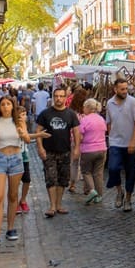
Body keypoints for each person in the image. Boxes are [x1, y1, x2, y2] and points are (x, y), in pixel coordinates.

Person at [0, 96, 49, 246]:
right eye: (3, 104)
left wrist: (22, 133)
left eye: (8, 104)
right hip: (0, 159)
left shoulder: (19, 121)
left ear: (13, 106)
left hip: (16, 159)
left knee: (12, 195)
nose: (5, 107)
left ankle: (10, 228)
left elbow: (27, 140)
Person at [35, 86, 80, 217]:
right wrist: (40, 147)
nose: (58, 99)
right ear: (53, 97)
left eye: (61, 96)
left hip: (65, 151)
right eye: (56, 96)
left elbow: (76, 131)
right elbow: (38, 131)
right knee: (50, 178)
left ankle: (59, 204)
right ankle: (52, 206)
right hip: (49, 151)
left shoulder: (71, 114)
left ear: (66, 98)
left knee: (63, 179)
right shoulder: (46, 113)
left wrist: (76, 147)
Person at [106, 78, 135, 212]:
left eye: (126, 89)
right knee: (113, 168)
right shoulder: (109, 103)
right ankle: (119, 191)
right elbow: (108, 122)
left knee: (131, 172)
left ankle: (128, 198)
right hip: (116, 142)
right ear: (115, 89)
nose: (125, 91)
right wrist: (111, 139)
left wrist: (133, 141)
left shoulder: (132, 101)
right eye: (122, 89)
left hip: (131, 143)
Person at [78, 98, 107, 204]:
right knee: (98, 173)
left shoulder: (85, 120)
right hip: (102, 149)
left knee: (86, 171)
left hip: (88, 149)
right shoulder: (101, 119)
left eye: (84, 107)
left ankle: (92, 190)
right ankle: (99, 195)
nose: (83, 109)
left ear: (88, 108)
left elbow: (80, 136)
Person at [68, 86, 89, 193]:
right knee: (85, 164)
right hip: (86, 140)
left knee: (74, 162)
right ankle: (86, 187)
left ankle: (72, 184)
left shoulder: (71, 112)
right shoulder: (87, 113)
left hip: (74, 140)